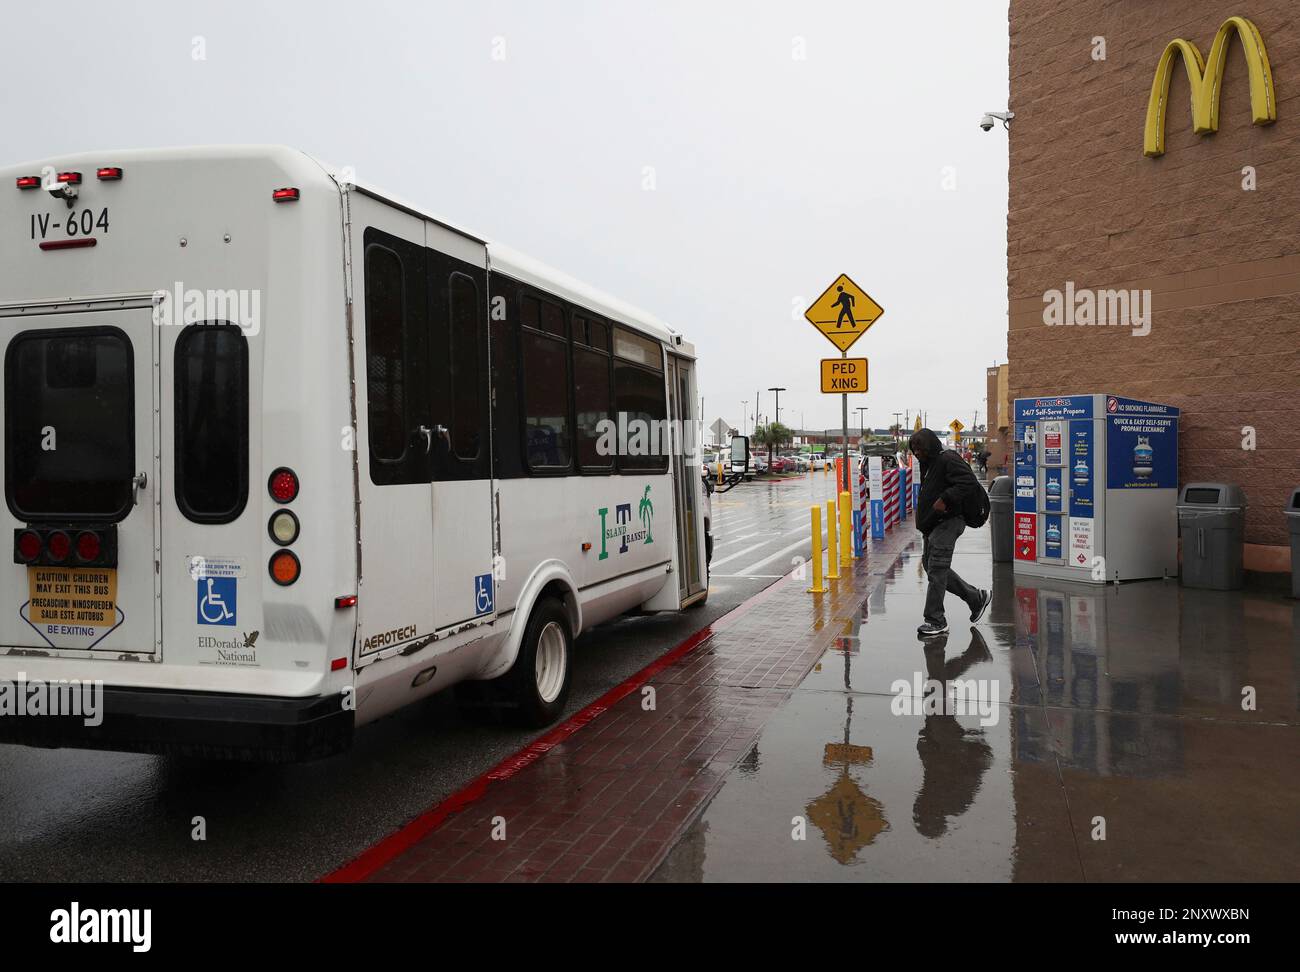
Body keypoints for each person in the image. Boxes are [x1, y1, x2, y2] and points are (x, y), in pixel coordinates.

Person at [909, 428, 991, 637]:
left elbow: (968, 482)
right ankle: (976, 598)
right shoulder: (928, 462)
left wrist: (945, 499)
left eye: (920, 449)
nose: (917, 453)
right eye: (914, 450)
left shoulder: (947, 459)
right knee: (931, 566)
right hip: (934, 524)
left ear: (930, 446)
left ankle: (935, 620)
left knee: (937, 569)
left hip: (949, 522)